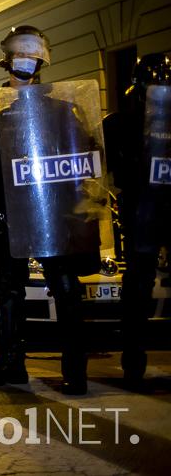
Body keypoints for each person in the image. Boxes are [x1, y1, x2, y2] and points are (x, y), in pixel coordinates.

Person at [0, 26, 100, 395]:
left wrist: (80, 205)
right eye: (20, 55)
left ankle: (75, 371)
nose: (26, 62)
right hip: (7, 214)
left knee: (64, 286)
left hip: (52, 212)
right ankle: (11, 364)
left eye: (33, 55)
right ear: (8, 60)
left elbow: (82, 156)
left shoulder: (62, 107)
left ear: (43, 59)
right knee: (8, 288)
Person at [103, 52, 171, 387]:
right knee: (139, 285)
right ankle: (133, 361)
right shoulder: (120, 122)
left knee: (139, 283)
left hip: (158, 206)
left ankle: (135, 360)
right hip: (141, 209)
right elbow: (103, 160)